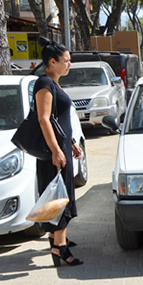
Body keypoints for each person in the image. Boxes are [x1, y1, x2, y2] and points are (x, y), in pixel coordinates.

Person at [35, 36, 84, 266]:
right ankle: (59, 248)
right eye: (66, 60)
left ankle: (57, 239)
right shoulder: (44, 84)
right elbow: (44, 120)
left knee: (60, 197)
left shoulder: (54, 83)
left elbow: (58, 120)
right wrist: (56, 150)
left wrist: (72, 142)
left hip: (62, 147)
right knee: (60, 198)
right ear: (52, 62)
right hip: (53, 153)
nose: (69, 64)